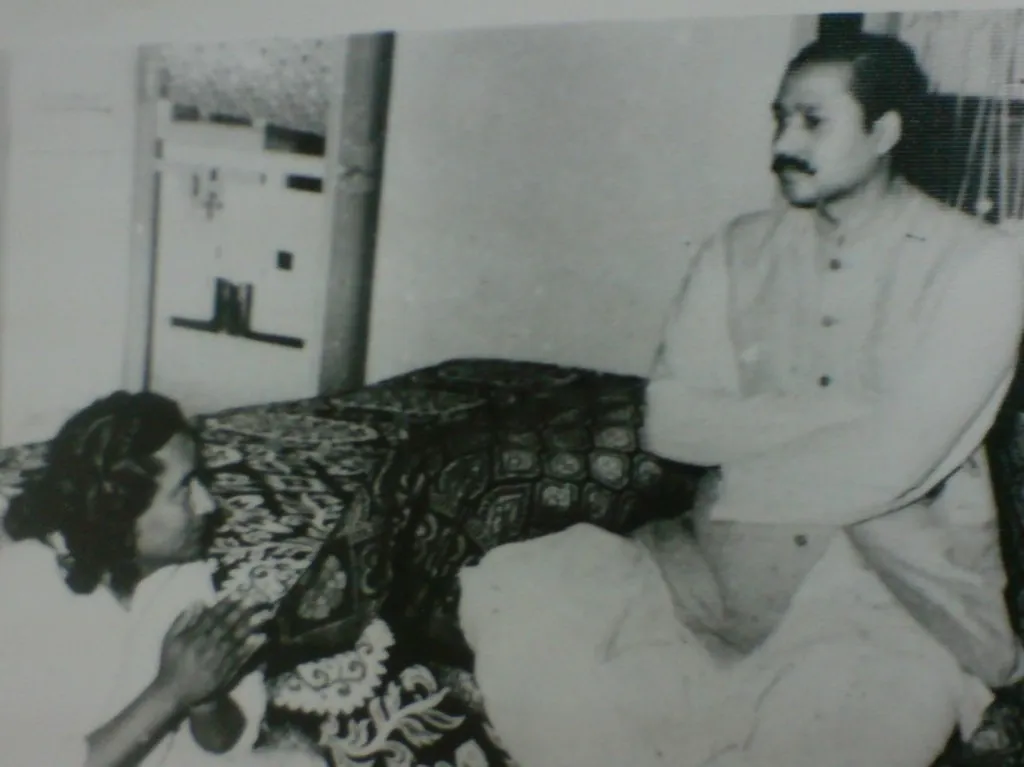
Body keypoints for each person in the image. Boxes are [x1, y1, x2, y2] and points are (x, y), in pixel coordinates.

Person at [457, 32, 1024, 767]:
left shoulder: (983, 265)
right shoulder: (738, 246)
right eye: (779, 117)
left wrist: (748, 446)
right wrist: (851, 413)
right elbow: (672, 423)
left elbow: (893, 463)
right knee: (520, 592)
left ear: (885, 132)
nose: (784, 142)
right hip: (699, 572)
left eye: (813, 121)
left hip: (883, 599)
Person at [0, 391, 324, 767]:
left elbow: (225, 745)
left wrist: (206, 696)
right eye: (183, 490)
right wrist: (170, 691)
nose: (208, 505)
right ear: (120, 508)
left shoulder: (180, 578)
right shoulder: (23, 586)